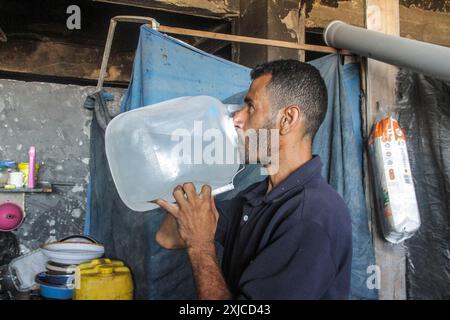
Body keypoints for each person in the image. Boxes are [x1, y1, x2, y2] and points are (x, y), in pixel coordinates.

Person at [154, 59, 352, 300]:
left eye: (250, 107)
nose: (237, 118)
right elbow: (168, 237)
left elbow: (196, 239)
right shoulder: (257, 196)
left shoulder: (313, 216)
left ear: (287, 119)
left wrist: (200, 245)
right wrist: (197, 165)